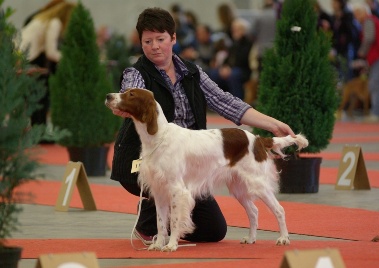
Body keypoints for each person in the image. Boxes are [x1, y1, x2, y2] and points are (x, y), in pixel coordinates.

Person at [110, 7, 295, 246]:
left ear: (173, 38)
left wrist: (274, 124)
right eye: (148, 41)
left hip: (187, 159)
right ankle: (150, 217)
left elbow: (227, 102)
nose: (155, 46)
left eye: (160, 39)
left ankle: (172, 215)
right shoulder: (136, 74)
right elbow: (130, 92)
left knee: (214, 230)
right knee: (161, 181)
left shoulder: (192, 72)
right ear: (141, 43)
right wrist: (122, 103)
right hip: (141, 161)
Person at [18, 1, 76, 129]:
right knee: (41, 95)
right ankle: (40, 132)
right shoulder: (55, 22)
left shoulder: (42, 19)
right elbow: (51, 53)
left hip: (22, 58)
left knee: (35, 96)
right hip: (29, 59)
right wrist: (71, 58)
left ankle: (38, 130)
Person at [208, 18, 253, 100]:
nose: (233, 32)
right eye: (233, 30)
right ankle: (217, 102)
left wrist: (229, 69)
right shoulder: (234, 43)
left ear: (243, 30)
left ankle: (237, 104)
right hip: (231, 68)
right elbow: (228, 58)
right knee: (214, 73)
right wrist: (223, 67)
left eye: (236, 30)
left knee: (234, 75)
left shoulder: (248, 43)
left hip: (243, 70)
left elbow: (243, 60)